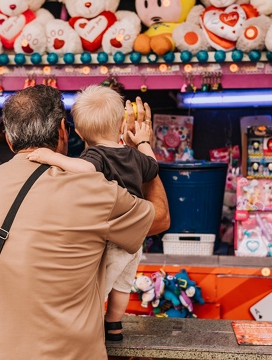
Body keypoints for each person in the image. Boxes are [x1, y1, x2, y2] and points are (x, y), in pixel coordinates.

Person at [0, 84, 170, 360]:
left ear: (8, 140)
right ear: (63, 132)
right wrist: (141, 157)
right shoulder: (91, 189)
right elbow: (160, 218)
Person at [26, 85, 158, 341]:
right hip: (135, 241)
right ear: (121, 125)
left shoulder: (95, 155)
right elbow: (153, 167)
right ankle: (115, 325)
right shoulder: (133, 155)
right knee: (122, 285)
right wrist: (142, 142)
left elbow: (84, 169)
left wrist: (52, 157)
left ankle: (94, 326)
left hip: (112, 240)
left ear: (78, 131)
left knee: (99, 288)